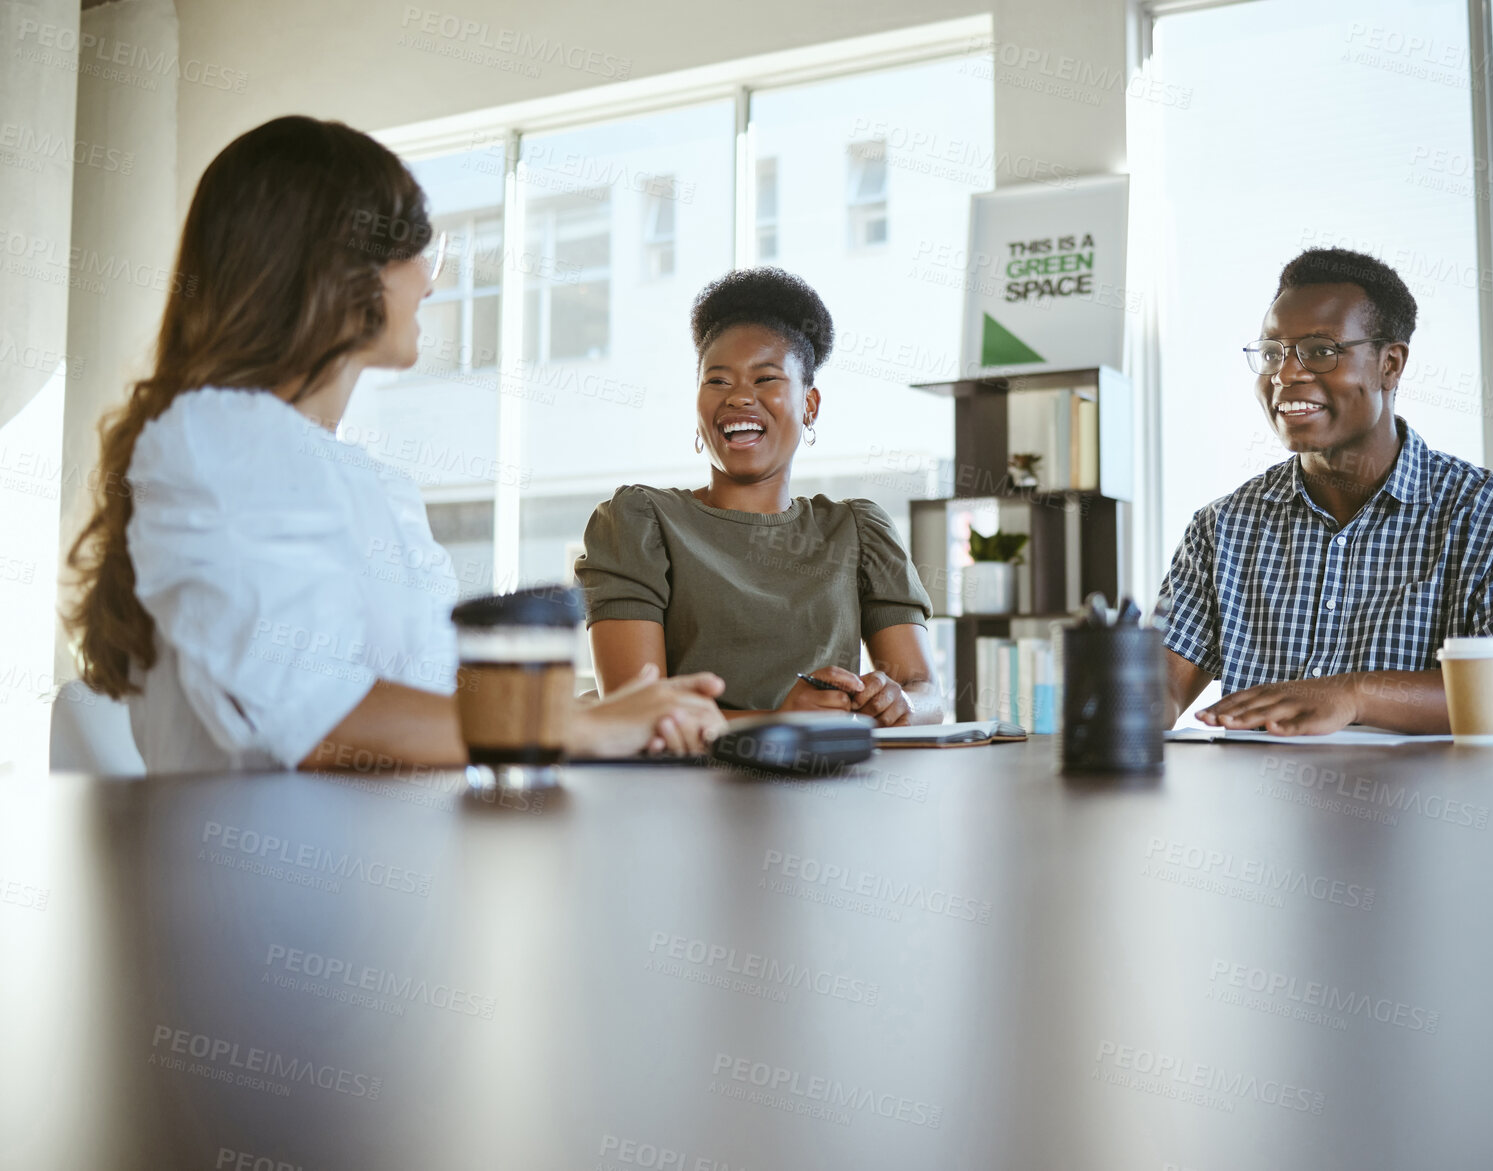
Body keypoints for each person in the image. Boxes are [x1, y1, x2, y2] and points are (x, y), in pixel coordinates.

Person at [64, 115, 727, 775]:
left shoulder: (373, 485)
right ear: (335, 268)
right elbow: (318, 718)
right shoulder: (219, 437)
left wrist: (616, 712)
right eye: (414, 250)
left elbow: (429, 712)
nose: (429, 280)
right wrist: (577, 724)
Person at [1157, 247, 1493, 735]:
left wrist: (1353, 694)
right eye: (1272, 353)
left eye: (1320, 350)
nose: (1286, 374)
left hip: (1433, 809)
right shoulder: (1222, 528)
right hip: (1255, 807)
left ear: (1390, 365)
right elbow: (1156, 690)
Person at [575, 267, 944, 726]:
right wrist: (775, 722)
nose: (739, 398)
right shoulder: (639, 521)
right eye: (718, 382)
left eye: (766, 379)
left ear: (809, 406)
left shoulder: (858, 530)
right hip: (686, 793)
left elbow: (925, 692)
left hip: (832, 790)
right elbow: (633, 715)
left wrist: (899, 704)